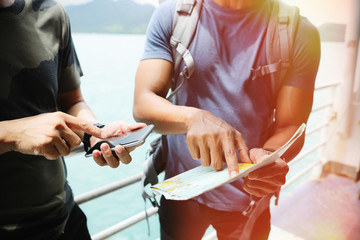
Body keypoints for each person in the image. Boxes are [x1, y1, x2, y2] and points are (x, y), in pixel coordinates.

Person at [133, 0, 320, 239]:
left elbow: (291, 125)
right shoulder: (172, 16)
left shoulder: (298, 33)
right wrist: (193, 117)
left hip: (250, 198)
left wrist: (270, 155)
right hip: (181, 190)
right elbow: (143, 103)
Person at [0, 0, 146, 239]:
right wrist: (12, 134)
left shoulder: (51, 13)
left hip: (63, 218)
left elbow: (72, 101)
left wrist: (96, 132)